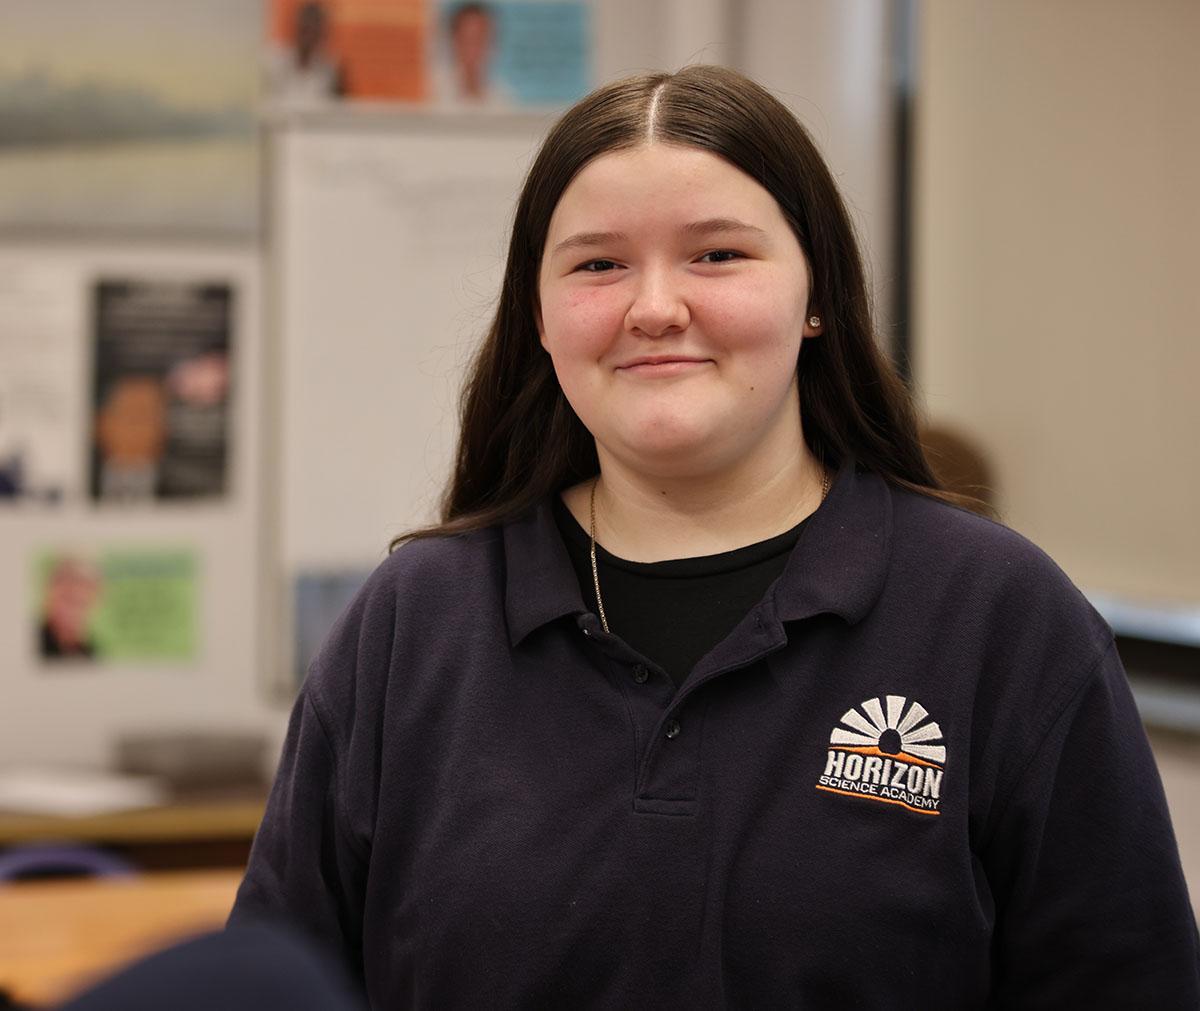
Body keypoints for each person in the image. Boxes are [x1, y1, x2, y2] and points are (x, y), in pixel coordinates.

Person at [231, 66, 1200, 1007]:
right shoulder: (414, 622)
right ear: (539, 313)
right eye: (599, 264)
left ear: (817, 295)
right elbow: (271, 985)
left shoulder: (1000, 616)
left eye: (717, 254)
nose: (655, 308)